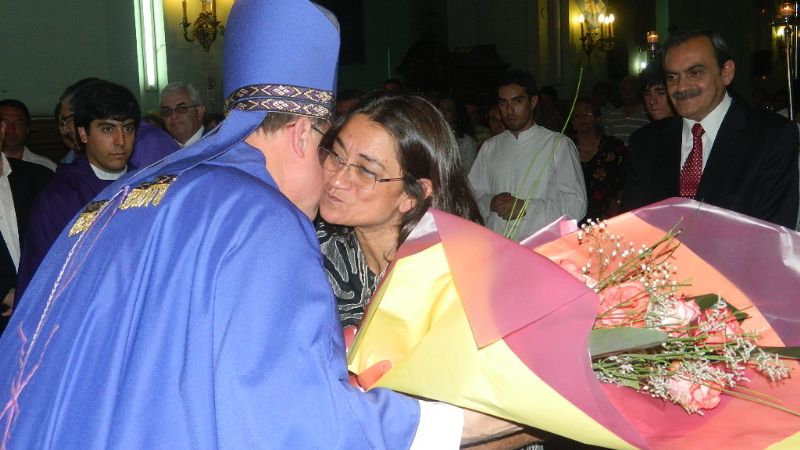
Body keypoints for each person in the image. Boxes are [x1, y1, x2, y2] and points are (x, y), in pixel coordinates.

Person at [0, 1, 519, 447]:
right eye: (327, 150)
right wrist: (467, 421)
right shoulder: (261, 218)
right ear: (301, 134)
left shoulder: (130, 194)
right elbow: (294, 422)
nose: (332, 177)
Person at [317, 91, 482, 329]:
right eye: (337, 156)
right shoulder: (314, 250)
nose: (336, 180)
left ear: (412, 194)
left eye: (366, 171)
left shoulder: (451, 279)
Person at [622, 29, 798, 228]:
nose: (681, 87)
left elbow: (773, 234)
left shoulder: (770, 137)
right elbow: (634, 227)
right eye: (672, 77)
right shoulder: (644, 143)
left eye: (695, 73)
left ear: (726, 73)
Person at [13, 79, 140, 303]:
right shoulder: (58, 199)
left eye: (128, 128)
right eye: (108, 129)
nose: (121, 141)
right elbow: (41, 280)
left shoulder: (148, 187)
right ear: (83, 134)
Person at [469, 70, 587, 242]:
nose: (509, 110)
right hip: (495, 244)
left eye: (517, 101)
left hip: (542, 246)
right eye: (503, 103)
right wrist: (490, 202)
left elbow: (577, 205)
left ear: (533, 101)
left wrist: (525, 208)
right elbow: (472, 195)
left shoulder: (558, 144)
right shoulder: (490, 147)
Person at [0, 122, 52, 335]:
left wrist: (32, 294)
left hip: (44, 309)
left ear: (2, 130)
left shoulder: (39, 177)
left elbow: (60, 239)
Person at [568, 98, 625, 222]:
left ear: (597, 118)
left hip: (608, 215)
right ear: (572, 122)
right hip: (574, 215)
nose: (582, 118)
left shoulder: (614, 146)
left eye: (587, 114)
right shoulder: (566, 148)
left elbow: (625, 179)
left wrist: (618, 203)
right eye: (577, 115)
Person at [0, 99, 57, 171]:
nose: (11, 129)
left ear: (27, 129)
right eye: (5, 123)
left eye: (18, 123)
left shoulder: (47, 167)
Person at [604, 76, 651, 146]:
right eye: (624, 89)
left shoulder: (648, 115)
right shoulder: (612, 116)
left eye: (631, 89)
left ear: (638, 91)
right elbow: (607, 142)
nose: (627, 93)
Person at [160, 81, 207, 147]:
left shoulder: (219, 146)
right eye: (167, 111)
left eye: (181, 109)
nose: (173, 116)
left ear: (199, 111)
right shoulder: (159, 152)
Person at [438, 95, 478, 170]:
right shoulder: (431, 137)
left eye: (448, 110)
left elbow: (469, 175)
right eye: (440, 108)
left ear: (456, 115)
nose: (442, 112)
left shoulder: (466, 142)